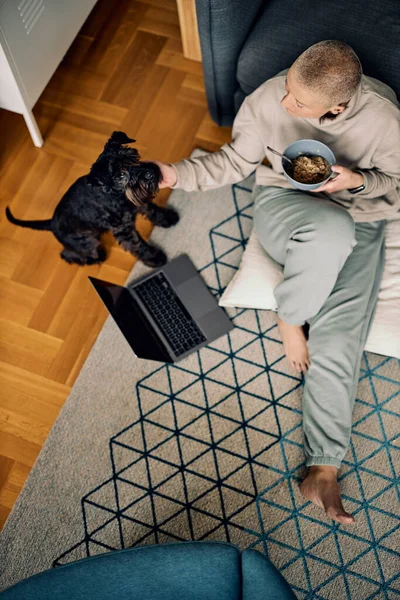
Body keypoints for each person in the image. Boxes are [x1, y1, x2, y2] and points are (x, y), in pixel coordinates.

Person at [153, 41, 400, 525]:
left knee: (342, 331)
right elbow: (232, 162)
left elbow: (394, 179)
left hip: (365, 215)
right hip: (286, 203)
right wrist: (171, 174)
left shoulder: (385, 118)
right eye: (288, 89)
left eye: (299, 104)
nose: (285, 104)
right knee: (331, 231)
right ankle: (290, 315)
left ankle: (323, 469)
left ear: (337, 106)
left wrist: (354, 181)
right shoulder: (270, 98)